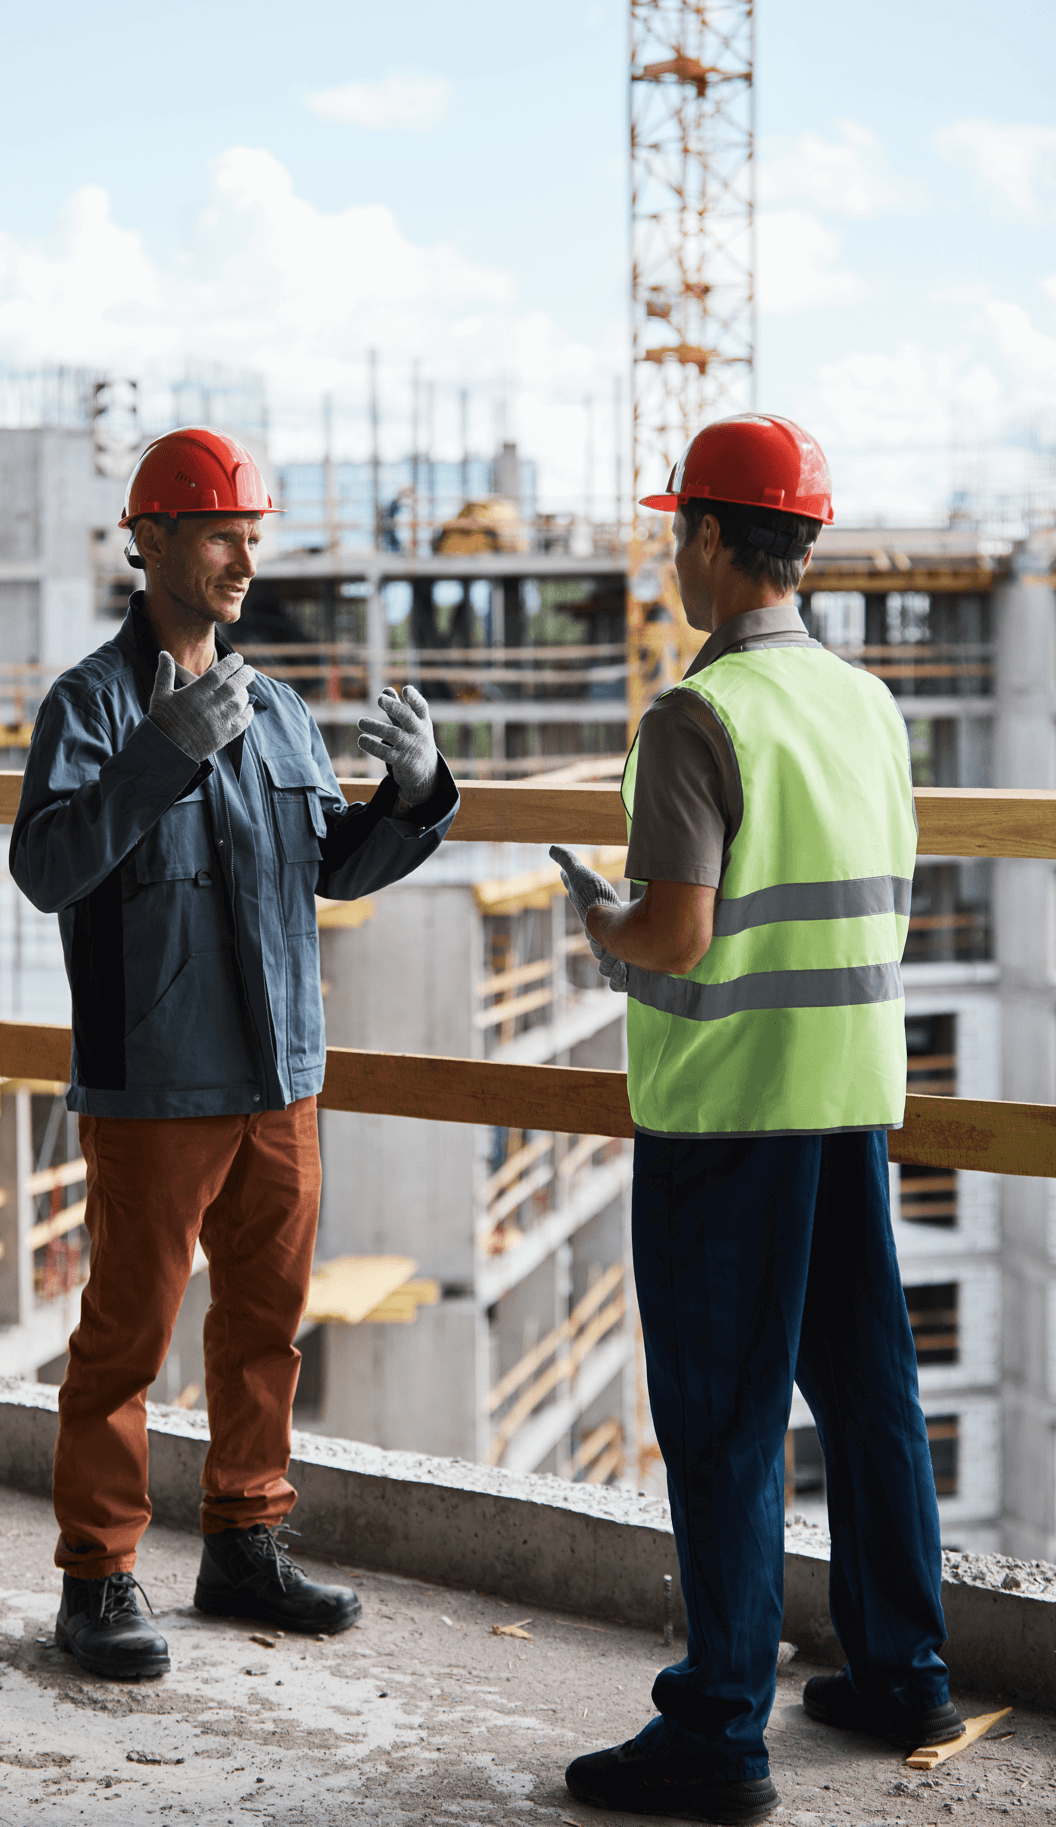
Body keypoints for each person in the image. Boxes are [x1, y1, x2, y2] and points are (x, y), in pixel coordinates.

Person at [550, 415, 960, 1823]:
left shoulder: (693, 715)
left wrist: (594, 921)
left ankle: (720, 1727)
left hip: (728, 1115)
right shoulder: (864, 705)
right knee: (868, 1392)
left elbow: (671, 934)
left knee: (723, 1420)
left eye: (680, 531)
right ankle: (903, 1669)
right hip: (849, 1097)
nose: (674, 554)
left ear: (716, 542)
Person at [10, 427, 458, 1680]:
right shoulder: (92, 706)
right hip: (157, 1083)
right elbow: (48, 869)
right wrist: (161, 756)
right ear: (148, 542)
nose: (244, 559)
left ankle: (244, 1545)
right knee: (125, 1341)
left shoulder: (275, 713)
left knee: (266, 1326)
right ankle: (96, 1579)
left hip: (280, 1078)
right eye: (220, 533)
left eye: (253, 536)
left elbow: (326, 870)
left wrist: (415, 801)